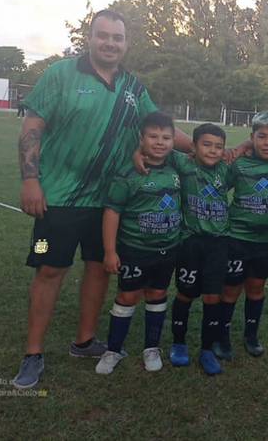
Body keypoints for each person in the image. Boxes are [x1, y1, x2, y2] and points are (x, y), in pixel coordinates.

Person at [13, 9, 194, 389]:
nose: (110, 43)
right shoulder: (60, 73)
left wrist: (204, 149)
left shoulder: (132, 85)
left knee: (98, 268)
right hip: (57, 199)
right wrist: (31, 180)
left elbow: (159, 129)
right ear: (90, 38)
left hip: (109, 200)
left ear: (126, 43)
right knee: (49, 269)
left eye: (118, 37)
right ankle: (33, 354)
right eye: (103, 35)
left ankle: (83, 341)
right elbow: (32, 127)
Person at [95, 112, 182, 374]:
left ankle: (151, 348)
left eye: (166, 137)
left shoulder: (177, 165)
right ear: (140, 139)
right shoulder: (128, 174)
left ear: (173, 140)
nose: (160, 142)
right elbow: (112, 212)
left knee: (157, 294)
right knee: (127, 296)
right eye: (153, 136)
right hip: (135, 248)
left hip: (167, 249)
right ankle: (113, 350)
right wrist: (110, 251)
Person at [213, 111, 268, 360]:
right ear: (252, 137)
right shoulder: (238, 163)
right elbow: (218, 185)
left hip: (267, 240)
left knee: (257, 287)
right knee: (230, 289)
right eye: (261, 137)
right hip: (237, 238)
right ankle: (222, 337)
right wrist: (241, 147)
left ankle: (251, 335)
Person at [169, 123, 230, 375]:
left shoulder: (227, 170)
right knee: (185, 293)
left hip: (218, 243)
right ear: (193, 147)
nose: (213, 151)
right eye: (206, 145)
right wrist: (139, 152)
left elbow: (250, 156)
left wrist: (246, 145)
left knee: (212, 297)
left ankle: (207, 348)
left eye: (218, 147)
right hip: (190, 241)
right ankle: (178, 343)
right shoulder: (184, 165)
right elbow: (160, 145)